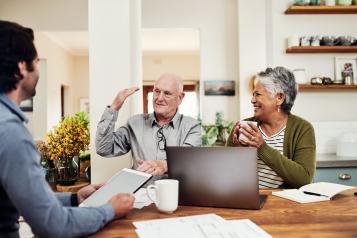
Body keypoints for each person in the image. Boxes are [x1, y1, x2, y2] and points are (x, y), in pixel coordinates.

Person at [0, 20, 134, 238]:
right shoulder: (11, 133)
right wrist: (110, 210)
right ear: (21, 67)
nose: (38, 71)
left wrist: (74, 198)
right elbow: (53, 225)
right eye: (36, 62)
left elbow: (25, 198)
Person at [96, 73, 202, 178]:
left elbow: (188, 161)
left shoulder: (192, 126)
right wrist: (114, 108)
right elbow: (103, 149)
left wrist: (164, 165)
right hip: (140, 192)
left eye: (167, 93)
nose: (159, 98)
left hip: (175, 192)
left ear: (180, 97)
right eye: (157, 91)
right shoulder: (135, 123)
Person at [227, 67, 316, 189]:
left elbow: (303, 180)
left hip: (284, 204)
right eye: (253, 94)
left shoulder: (302, 129)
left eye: (257, 94)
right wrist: (238, 154)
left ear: (279, 98)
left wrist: (262, 148)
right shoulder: (244, 127)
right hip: (246, 200)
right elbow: (227, 176)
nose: (252, 100)